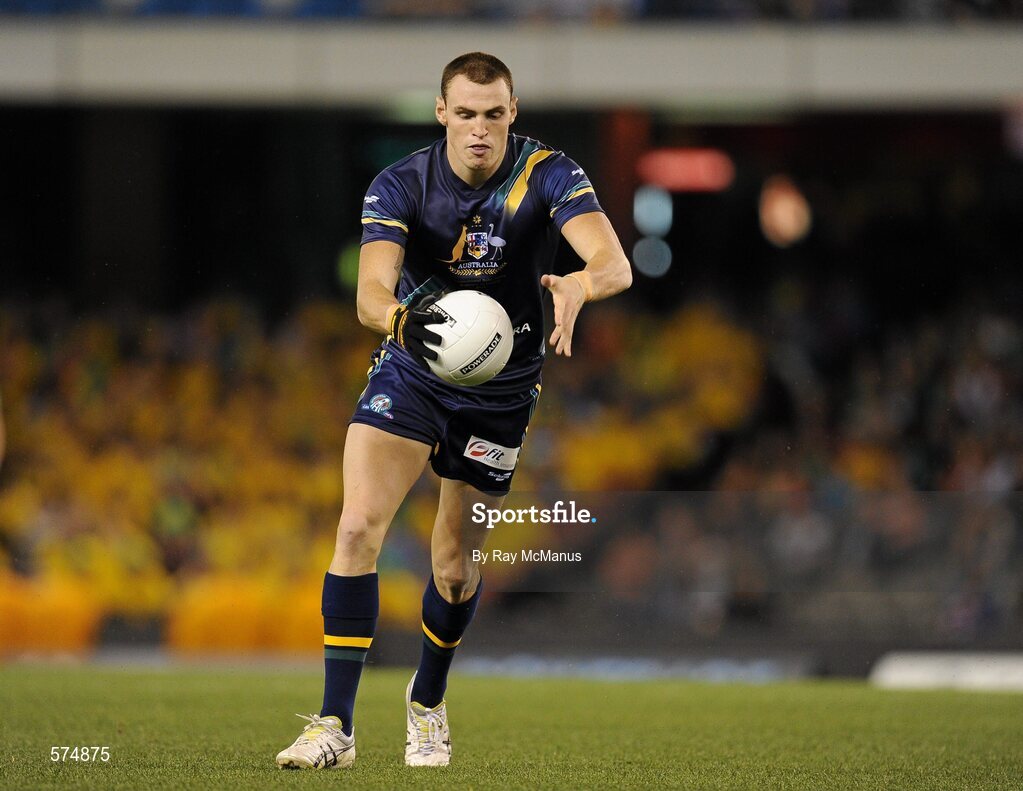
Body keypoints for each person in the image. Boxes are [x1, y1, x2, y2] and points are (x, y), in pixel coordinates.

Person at [275, 51, 632, 770]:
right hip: (413, 369)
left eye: (492, 114)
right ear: (441, 112)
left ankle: (427, 699)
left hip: (501, 394)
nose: (478, 129)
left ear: (512, 113)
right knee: (354, 526)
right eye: (463, 114)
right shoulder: (401, 182)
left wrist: (581, 287)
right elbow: (370, 292)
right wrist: (402, 324)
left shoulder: (549, 174)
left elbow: (613, 263)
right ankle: (334, 726)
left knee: (456, 566)